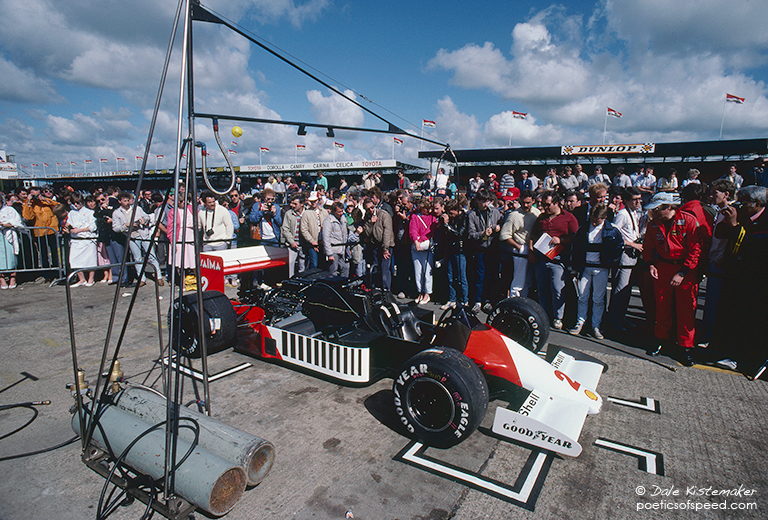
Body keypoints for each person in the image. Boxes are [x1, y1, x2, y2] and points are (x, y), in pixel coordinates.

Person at [707, 186, 768, 376]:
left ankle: (741, 357)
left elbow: (755, 251)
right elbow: (720, 234)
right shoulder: (742, 217)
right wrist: (729, 222)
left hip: (756, 280)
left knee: (748, 319)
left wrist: (736, 226)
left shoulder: (764, 222)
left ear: (757, 204)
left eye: (744, 203)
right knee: (730, 314)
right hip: (735, 275)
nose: (739, 206)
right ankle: (724, 349)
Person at [642, 192, 702, 365]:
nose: (653, 212)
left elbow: (695, 249)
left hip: (685, 269)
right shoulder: (653, 225)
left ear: (668, 207)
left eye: (656, 209)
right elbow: (648, 248)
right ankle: (660, 339)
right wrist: (650, 264)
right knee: (662, 306)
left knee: (686, 310)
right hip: (663, 267)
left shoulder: (688, 220)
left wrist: (682, 272)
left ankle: (686, 347)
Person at [569, 205, 623, 339]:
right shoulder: (583, 229)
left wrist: (610, 261)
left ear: (604, 218)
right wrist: (575, 267)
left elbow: (619, 247)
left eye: (597, 221)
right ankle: (580, 322)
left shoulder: (612, 230)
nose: (594, 223)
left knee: (598, 299)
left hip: (601, 268)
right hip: (585, 267)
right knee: (582, 295)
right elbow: (576, 248)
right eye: (592, 220)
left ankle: (596, 325)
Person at [528, 191, 578, 329]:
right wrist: (530, 251)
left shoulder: (569, 218)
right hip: (540, 259)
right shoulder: (541, 218)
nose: (545, 207)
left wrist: (561, 240)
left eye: (548, 205)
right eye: (543, 205)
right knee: (542, 289)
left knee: (557, 289)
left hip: (558, 259)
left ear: (556, 203)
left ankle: (558, 317)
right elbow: (532, 235)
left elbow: (576, 237)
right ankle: (545, 315)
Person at [698, 179, 736, 345]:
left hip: (718, 262)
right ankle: (707, 334)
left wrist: (718, 259)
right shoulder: (720, 211)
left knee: (714, 302)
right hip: (713, 259)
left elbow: (728, 239)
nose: (712, 196)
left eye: (716, 193)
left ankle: (709, 337)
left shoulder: (730, 212)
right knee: (710, 301)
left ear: (726, 194)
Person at [607, 186, 644, 331]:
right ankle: (614, 321)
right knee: (620, 289)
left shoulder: (634, 213)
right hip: (625, 254)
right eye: (635, 200)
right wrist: (632, 244)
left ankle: (621, 318)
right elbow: (614, 235)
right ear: (626, 200)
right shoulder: (622, 214)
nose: (638, 202)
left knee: (626, 290)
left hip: (632, 254)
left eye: (640, 199)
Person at [499, 190, 540, 298]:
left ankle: (524, 302)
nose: (526, 205)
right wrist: (518, 247)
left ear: (533, 201)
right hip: (521, 248)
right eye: (523, 202)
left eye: (528, 202)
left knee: (529, 280)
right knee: (519, 280)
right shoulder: (514, 215)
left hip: (533, 248)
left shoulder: (536, 213)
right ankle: (514, 301)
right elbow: (504, 235)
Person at [467, 189, 502, 313]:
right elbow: (470, 234)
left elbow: (501, 224)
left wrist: (498, 227)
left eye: (487, 201)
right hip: (479, 249)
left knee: (491, 276)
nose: (485, 204)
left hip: (492, 249)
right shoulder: (472, 214)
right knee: (479, 276)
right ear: (477, 201)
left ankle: (487, 300)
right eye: (483, 201)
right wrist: (482, 234)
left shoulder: (494, 212)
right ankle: (477, 301)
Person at [359, 196, 394, 291]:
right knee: (375, 268)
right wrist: (371, 223)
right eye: (368, 208)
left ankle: (386, 290)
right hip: (374, 245)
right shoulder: (367, 217)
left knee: (384, 269)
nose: (370, 210)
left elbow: (387, 232)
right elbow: (367, 233)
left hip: (385, 244)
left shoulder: (383, 214)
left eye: (372, 207)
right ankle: (376, 289)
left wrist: (385, 248)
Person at [22, 185, 60, 271]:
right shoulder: (28, 204)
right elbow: (28, 217)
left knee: (55, 252)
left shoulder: (46, 202)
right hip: (40, 232)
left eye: (37, 194)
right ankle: (47, 274)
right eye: (33, 195)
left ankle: (56, 271)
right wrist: (29, 201)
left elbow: (59, 207)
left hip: (51, 230)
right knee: (43, 253)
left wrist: (45, 200)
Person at [440, 199, 469, 309]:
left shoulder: (464, 218)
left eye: (451, 212)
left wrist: (447, 225)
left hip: (460, 250)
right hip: (450, 249)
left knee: (461, 277)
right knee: (450, 276)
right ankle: (452, 299)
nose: (450, 215)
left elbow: (459, 234)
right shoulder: (451, 219)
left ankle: (464, 300)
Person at [65, 192, 98, 287]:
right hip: (76, 240)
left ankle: (91, 279)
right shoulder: (71, 213)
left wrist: (80, 230)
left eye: (78, 202)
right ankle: (81, 279)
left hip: (88, 238)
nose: (76, 205)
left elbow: (93, 227)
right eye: (74, 203)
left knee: (90, 260)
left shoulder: (90, 212)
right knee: (74, 259)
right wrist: (68, 227)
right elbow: (69, 224)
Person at [409, 199, 436, 304]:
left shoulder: (432, 218)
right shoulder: (415, 217)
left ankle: (427, 293)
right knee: (418, 271)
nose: (428, 210)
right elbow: (413, 229)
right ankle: (420, 291)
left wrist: (419, 241)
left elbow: (430, 231)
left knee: (427, 271)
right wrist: (416, 241)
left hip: (425, 245)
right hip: (417, 246)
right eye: (426, 208)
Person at [300, 191, 328, 269]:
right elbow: (304, 229)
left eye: (315, 201)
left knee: (323, 263)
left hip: (323, 242)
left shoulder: (324, 212)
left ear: (318, 200)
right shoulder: (306, 213)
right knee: (314, 263)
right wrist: (312, 241)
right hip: (312, 242)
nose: (313, 203)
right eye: (311, 201)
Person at [0, 193, 22, 289]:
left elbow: (17, 222)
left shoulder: (9, 210)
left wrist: (5, 224)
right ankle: (2, 280)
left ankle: (13, 279)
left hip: (7, 236)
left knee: (11, 258)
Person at [280, 193, 306, 277]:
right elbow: (285, 229)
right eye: (292, 203)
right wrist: (291, 241)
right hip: (292, 244)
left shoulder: (307, 213)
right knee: (291, 266)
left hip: (304, 244)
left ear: (301, 204)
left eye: (295, 204)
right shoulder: (289, 214)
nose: (293, 205)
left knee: (302, 265)